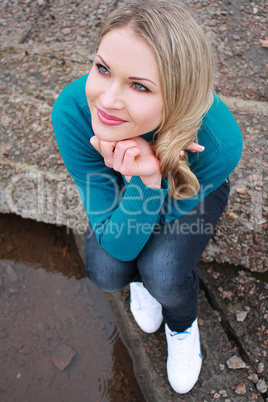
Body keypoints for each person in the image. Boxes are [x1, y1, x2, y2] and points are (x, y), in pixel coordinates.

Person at [52, 0, 243, 394]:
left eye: (139, 85)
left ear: (176, 95)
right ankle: (139, 283)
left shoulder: (218, 141)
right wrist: (141, 184)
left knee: (166, 271)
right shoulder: (73, 112)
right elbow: (119, 244)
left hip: (189, 185)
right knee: (107, 270)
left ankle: (181, 323)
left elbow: (160, 218)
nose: (106, 101)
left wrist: (151, 177)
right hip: (132, 189)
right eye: (103, 69)